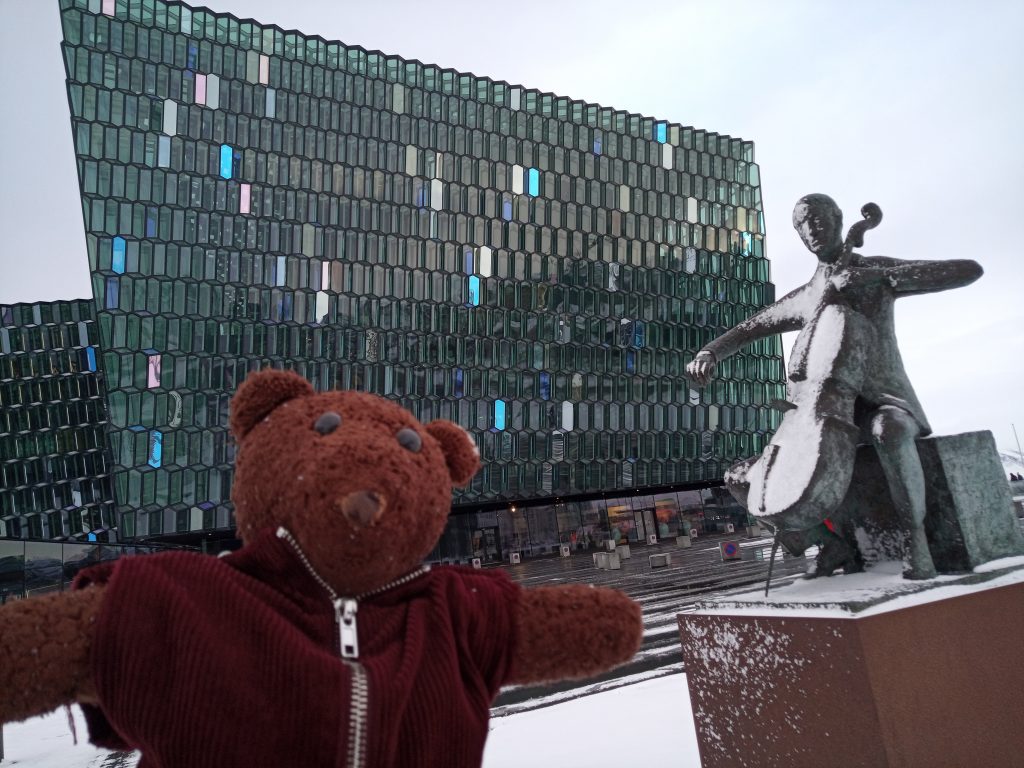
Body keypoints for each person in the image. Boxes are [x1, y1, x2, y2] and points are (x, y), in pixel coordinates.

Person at [686, 194, 983, 579]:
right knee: (741, 478)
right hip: (816, 412)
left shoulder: (874, 271)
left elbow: (967, 269)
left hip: (882, 401)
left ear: (839, 219)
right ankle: (830, 545)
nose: (812, 230)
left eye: (818, 219)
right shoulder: (807, 296)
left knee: (887, 431)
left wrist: (879, 277)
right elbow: (749, 328)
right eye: (802, 226)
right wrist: (710, 351)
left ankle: (916, 538)